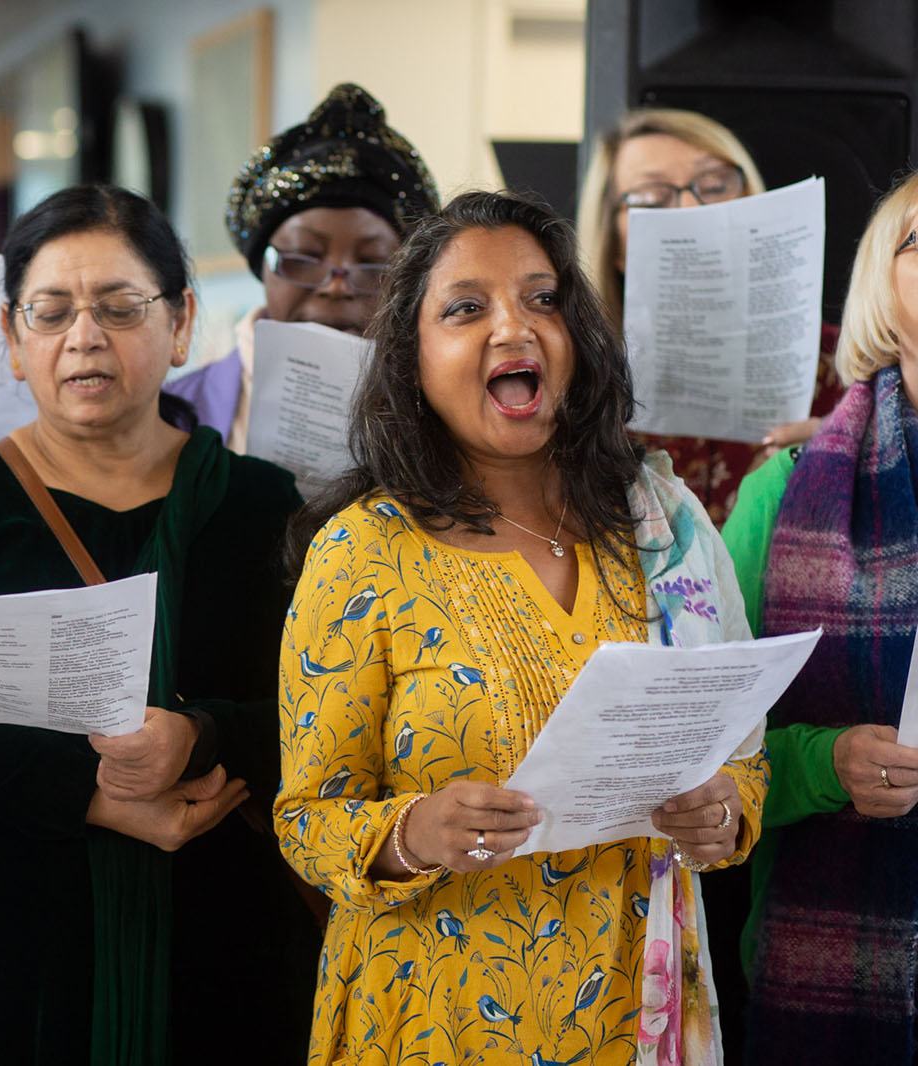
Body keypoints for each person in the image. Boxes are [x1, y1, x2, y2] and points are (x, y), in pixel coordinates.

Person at [276, 190, 767, 1066]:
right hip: (434, 1018)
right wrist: (412, 832)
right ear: (414, 359)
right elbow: (307, 820)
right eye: (467, 309)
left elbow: (740, 753)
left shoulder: (660, 527)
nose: (515, 327)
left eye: (543, 299)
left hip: (635, 1011)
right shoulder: (362, 553)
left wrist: (726, 812)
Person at [0, 184, 322, 1065]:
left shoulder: (259, 506)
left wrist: (198, 733)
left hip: (217, 945)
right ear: (12, 337)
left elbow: (312, 709)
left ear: (180, 325)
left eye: (120, 307)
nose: (85, 336)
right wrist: (94, 799)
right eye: (51, 311)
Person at [726, 170, 918, 1063]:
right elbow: (707, 738)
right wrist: (828, 762)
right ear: (881, 284)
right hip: (829, 956)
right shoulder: (779, 493)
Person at [577, 107, 842, 524]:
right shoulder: (580, 383)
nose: (690, 209)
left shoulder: (847, 363)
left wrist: (845, 462)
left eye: (715, 185)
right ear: (614, 245)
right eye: (651, 198)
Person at [164, 83, 439, 451]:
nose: (336, 286)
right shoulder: (172, 416)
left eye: (372, 264)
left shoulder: (440, 415)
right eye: (303, 258)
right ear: (263, 266)